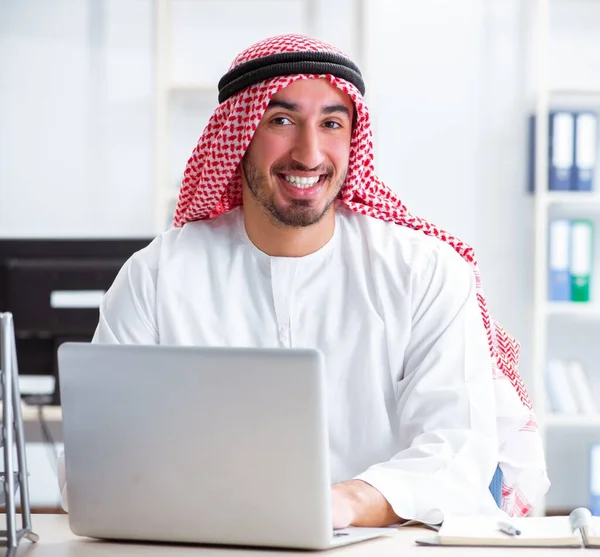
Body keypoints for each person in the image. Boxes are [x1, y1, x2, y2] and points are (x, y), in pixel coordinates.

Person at [58, 33, 549, 527]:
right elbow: (93, 461)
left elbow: (459, 452)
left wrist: (345, 503)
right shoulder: (157, 277)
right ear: (240, 133)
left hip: (383, 544)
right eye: (282, 120)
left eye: (332, 123)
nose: (309, 153)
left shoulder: (424, 273)